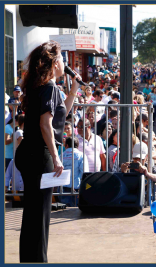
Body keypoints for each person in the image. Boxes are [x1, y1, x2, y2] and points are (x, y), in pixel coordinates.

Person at [15, 41, 81, 262]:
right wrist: (55, 156)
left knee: (34, 213)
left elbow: (59, 117)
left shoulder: (42, 87)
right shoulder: (50, 88)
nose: (65, 63)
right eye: (62, 59)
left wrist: (73, 91)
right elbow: (46, 125)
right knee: (40, 215)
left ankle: (29, 259)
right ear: (53, 63)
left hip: (29, 152)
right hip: (39, 154)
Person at [59, 137, 89, 207]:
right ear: (77, 146)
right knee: (75, 210)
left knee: (63, 210)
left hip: (63, 187)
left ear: (66, 145)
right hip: (76, 187)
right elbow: (84, 172)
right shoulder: (81, 155)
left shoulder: (61, 156)